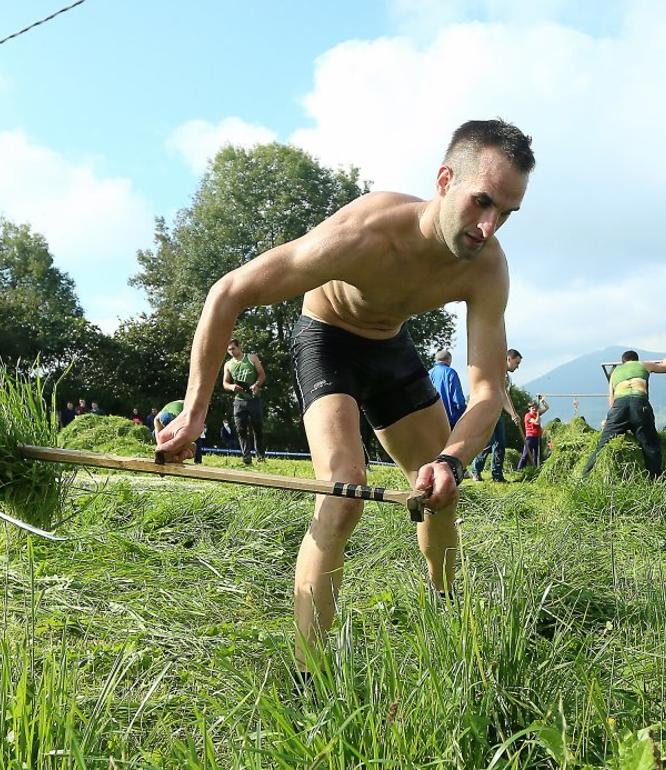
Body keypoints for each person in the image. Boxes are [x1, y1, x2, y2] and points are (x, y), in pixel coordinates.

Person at [154, 119, 534, 672]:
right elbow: (227, 292)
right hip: (327, 340)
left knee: (439, 491)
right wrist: (193, 414)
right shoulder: (365, 233)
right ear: (446, 179)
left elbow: (486, 388)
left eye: (505, 213)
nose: (488, 225)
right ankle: (312, 674)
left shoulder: (488, 267)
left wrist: (451, 459)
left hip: (390, 348)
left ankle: (451, 622)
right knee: (342, 496)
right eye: (481, 202)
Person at [582, 351, 666, 479]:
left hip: (618, 407)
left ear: (623, 361)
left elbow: (611, 400)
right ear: (636, 359)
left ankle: (584, 477)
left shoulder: (614, 373)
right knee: (650, 445)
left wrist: (613, 420)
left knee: (603, 445)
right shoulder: (644, 365)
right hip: (639, 404)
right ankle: (655, 481)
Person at [470, 349, 523, 482]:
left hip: (498, 412)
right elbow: (502, 395)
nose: (517, 367)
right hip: (488, 411)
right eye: (516, 363)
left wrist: (513, 413)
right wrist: (512, 413)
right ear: (509, 359)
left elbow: (505, 396)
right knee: (489, 442)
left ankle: (497, 475)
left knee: (500, 444)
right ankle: (476, 471)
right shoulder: (496, 374)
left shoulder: (506, 377)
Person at [223, 338, 268, 464]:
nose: (231, 351)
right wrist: (232, 387)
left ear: (239, 347)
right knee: (241, 430)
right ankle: (246, 458)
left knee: (257, 429)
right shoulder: (228, 364)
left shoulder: (251, 358)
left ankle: (260, 457)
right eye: (228, 350)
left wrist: (257, 384)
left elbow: (262, 374)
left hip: (254, 399)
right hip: (239, 401)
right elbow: (225, 383)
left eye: (233, 348)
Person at [154, 399, 202, 464]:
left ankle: (167, 457)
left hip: (160, 417)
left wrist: (159, 446)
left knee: (166, 444)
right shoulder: (191, 406)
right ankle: (169, 457)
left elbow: (156, 420)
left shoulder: (179, 403)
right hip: (172, 417)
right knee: (191, 447)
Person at [429, 349, 467, 428]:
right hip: (450, 419)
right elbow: (458, 399)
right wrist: (463, 413)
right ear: (449, 359)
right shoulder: (450, 372)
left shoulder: (429, 373)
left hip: (433, 420)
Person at [516, 397, 550, 469]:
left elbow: (547, 408)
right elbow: (536, 422)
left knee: (537, 455)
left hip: (537, 437)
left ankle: (535, 469)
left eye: (535, 408)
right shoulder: (528, 416)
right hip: (530, 438)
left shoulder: (536, 414)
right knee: (526, 454)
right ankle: (519, 469)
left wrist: (542, 401)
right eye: (532, 408)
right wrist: (538, 414)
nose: (534, 409)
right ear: (529, 408)